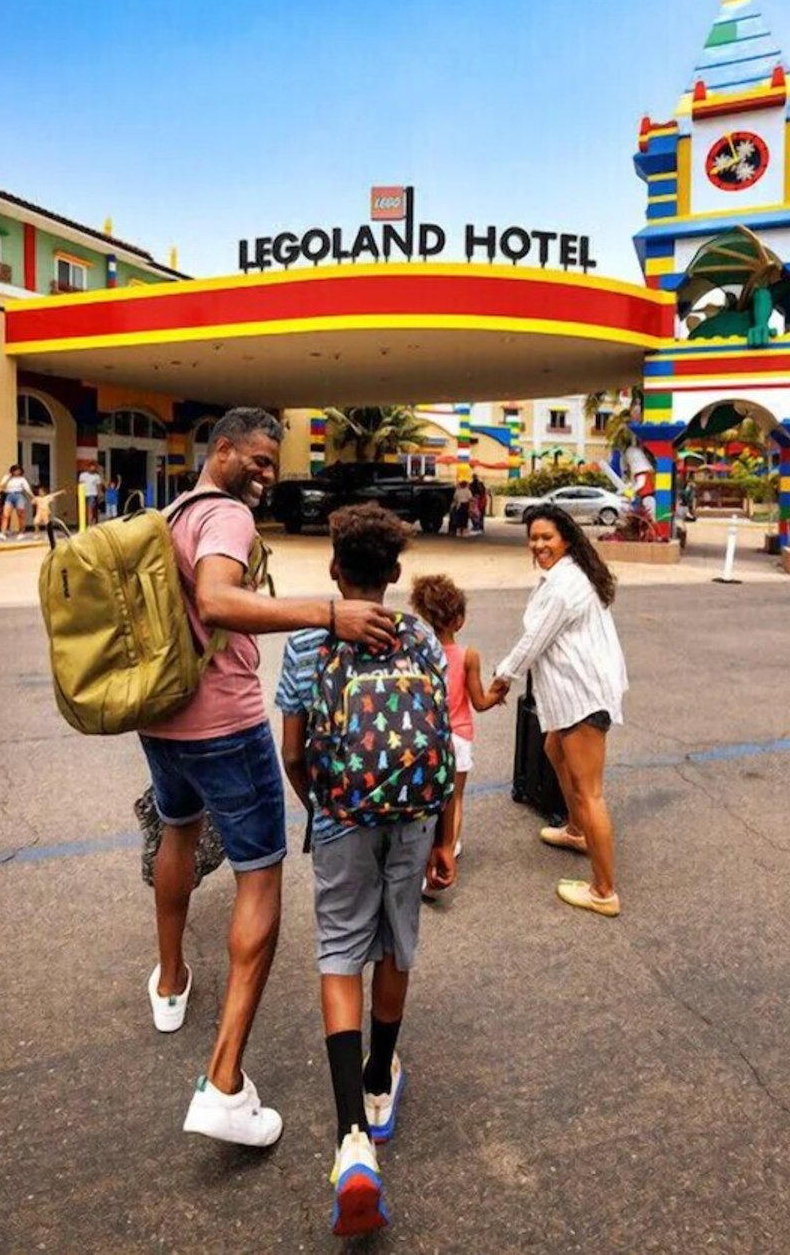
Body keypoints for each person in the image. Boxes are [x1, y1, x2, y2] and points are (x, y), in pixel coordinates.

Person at [136, 407, 397, 1152]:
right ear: (220, 450)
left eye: (270, 463)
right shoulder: (225, 519)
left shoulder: (171, 512)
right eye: (253, 457)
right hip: (222, 722)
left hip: (163, 718)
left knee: (176, 831)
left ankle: (170, 980)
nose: (263, 472)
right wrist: (328, 613)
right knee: (260, 878)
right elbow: (217, 600)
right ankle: (223, 1084)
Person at [275, 505, 456, 1238]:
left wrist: (321, 806)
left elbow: (292, 749)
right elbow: (443, 739)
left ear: (333, 570)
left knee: (339, 951)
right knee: (396, 940)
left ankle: (353, 1136)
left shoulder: (307, 643)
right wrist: (445, 832)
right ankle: (381, 1078)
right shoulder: (423, 637)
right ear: (395, 573)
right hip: (413, 815)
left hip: (342, 816)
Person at [490, 503, 627, 918]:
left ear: (565, 537)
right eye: (533, 538)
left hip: (584, 695)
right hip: (575, 694)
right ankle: (576, 829)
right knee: (553, 748)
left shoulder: (566, 584)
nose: (538, 544)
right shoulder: (566, 574)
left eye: (546, 537)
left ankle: (603, 891)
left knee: (591, 792)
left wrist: (501, 677)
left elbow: (534, 641)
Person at [409, 572, 501, 872]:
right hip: (459, 736)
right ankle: (448, 849)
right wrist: (499, 690)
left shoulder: (419, 654)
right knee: (455, 798)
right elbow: (480, 702)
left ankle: (424, 856)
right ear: (458, 619)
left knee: (429, 799)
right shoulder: (468, 656)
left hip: (427, 737)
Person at [0, 464, 34, 538]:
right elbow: (2, 486)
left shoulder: (22, 479)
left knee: (20, 515)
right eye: (15, 470)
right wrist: (8, 478)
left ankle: (21, 532)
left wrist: (33, 497)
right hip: (9, 496)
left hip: (18, 495)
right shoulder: (7, 477)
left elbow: (27, 488)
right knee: (5, 515)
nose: (17, 472)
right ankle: (3, 533)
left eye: (18, 470)